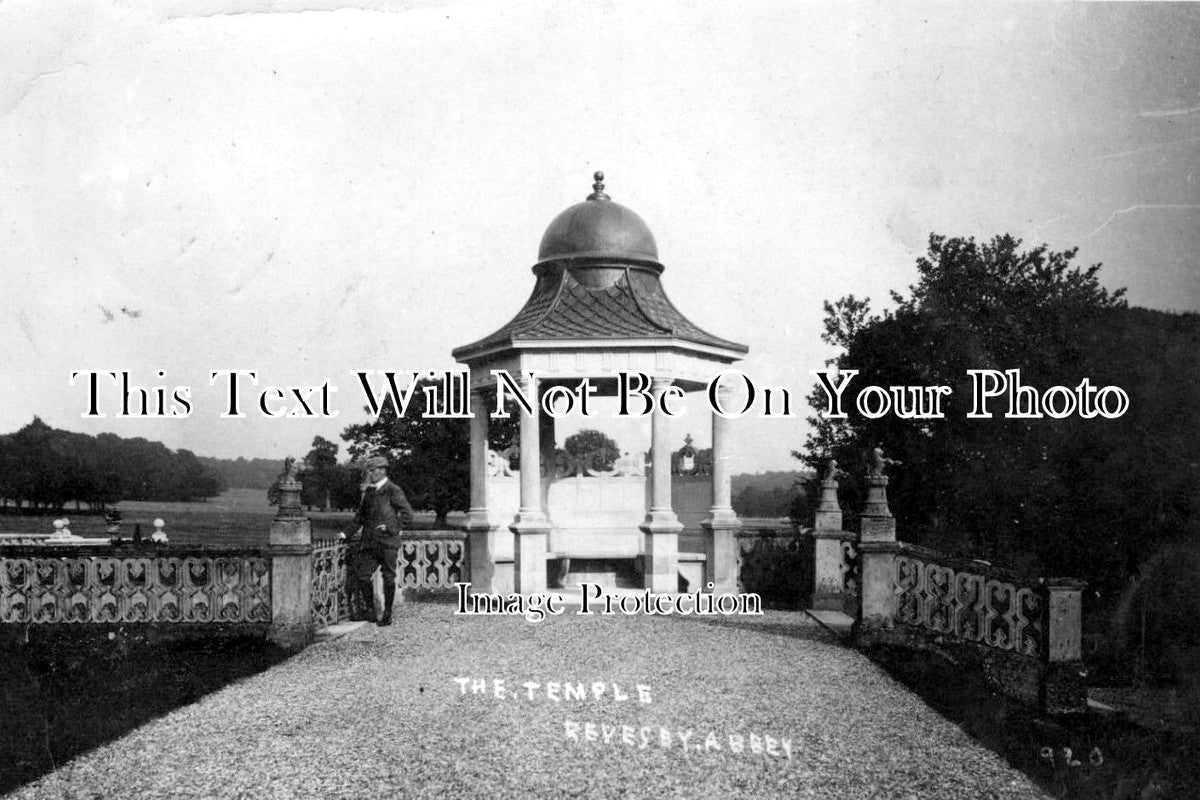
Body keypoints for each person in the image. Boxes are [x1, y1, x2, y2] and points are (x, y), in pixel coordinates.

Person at [351, 455, 414, 626]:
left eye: (372, 470)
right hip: (370, 543)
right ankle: (371, 611)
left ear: (382, 471)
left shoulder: (393, 489)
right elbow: (359, 518)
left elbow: (408, 514)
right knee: (363, 576)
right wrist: (345, 534)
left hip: (388, 543)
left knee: (388, 578)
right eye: (369, 470)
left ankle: (387, 614)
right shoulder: (370, 491)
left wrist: (390, 527)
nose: (370, 474)